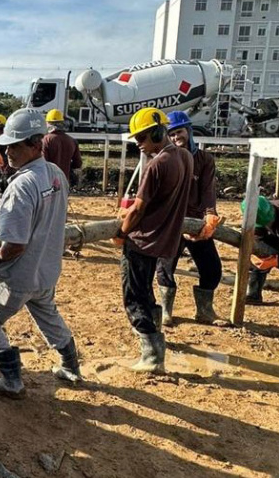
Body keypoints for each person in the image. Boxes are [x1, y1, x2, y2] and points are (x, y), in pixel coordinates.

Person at [0, 109, 80, 399]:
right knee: (47, 313)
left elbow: (15, 245)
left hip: (18, 274)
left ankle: (12, 379)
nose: (8, 151)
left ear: (35, 144)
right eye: (7, 145)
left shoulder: (21, 185)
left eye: (15, 145)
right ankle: (71, 366)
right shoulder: (55, 174)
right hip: (46, 270)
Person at [113, 107, 192, 373]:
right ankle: (156, 347)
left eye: (142, 139)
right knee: (146, 293)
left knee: (135, 298)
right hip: (164, 239)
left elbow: (138, 208)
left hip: (142, 240)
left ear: (158, 132)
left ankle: (152, 356)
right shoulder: (185, 156)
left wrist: (122, 232)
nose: (139, 145)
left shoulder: (157, 164)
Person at [155, 111, 224, 326]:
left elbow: (207, 191)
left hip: (196, 222)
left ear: (189, 131)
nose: (177, 137)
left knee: (212, 268)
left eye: (180, 132)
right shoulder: (164, 159)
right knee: (165, 267)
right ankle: (166, 311)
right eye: (172, 134)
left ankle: (204, 311)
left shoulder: (204, 160)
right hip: (171, 222)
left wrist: (210, 213)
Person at [42, 109, 82, 185]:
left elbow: (42, 163)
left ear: (48, 123)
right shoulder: (72, 141)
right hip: (64, 182)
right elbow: (78, 163)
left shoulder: (45, 140)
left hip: (48, 183)